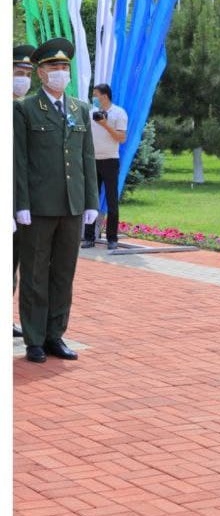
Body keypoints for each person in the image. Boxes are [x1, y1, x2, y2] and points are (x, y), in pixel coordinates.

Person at [13, 37, 98, 363]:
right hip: (38, 205)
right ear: (40, 73)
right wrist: (20, 204)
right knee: (35, 274)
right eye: (53, 68)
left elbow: (86, 157)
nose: (60, 73)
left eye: (64, 67)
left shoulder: (80, 108)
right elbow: (19, 161)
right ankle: (34, 338)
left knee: (64, 273)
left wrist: (91, 201)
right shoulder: (25, 109)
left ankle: (55, 335)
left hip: (72, 205)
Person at [82, 83, 128, 250]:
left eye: (95, 94)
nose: (93, 98)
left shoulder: (118, 113)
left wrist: (105, 125)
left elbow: (121, 138)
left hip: (110, 161)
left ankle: (112, 239)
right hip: (93, 161)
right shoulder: (90, 113)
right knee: (91, 199)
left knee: (111, 200)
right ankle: (88, 237)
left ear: (104, 95)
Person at [12, 43, 35, 339]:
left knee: (12, 262)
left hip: (18, 202)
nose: (24, 79)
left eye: (28, 74)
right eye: (19, 72)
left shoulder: (25, 108)